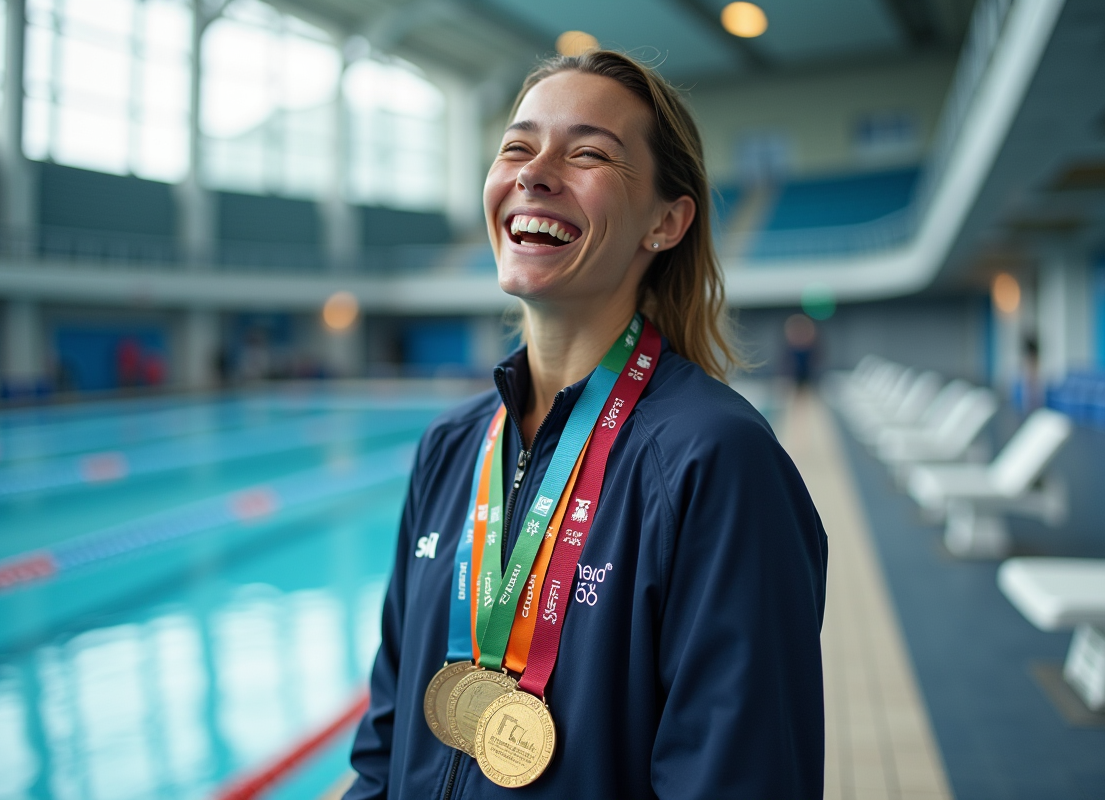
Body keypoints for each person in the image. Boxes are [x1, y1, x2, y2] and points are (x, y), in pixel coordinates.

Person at [345, 50, 828, 799]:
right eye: (516, 146)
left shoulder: (716, 462)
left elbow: (740, 774)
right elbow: (384, 741)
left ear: (666, 222)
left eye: (589, 153)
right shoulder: (450, 447)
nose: (534, 173)